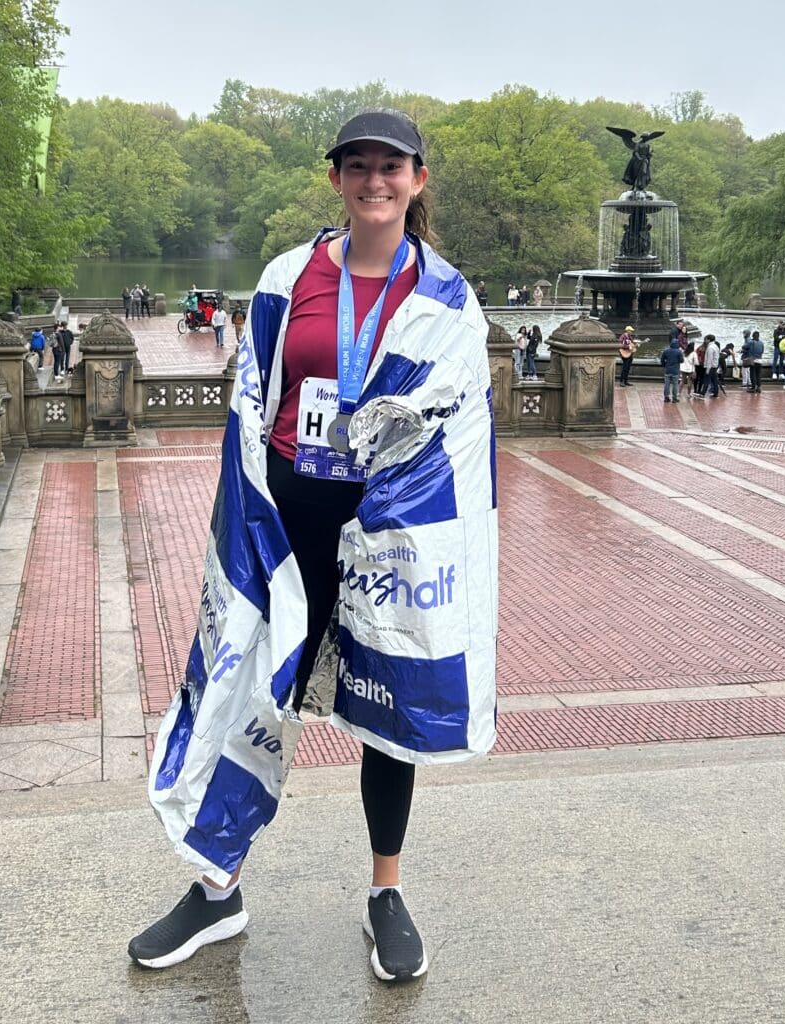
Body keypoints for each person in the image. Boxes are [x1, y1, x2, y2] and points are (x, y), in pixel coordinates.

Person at [131, 109, 497, 983]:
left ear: (417, 181)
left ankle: (385, 894)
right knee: (255, 685)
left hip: (390, 527)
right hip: (288, 513)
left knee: (391, 709)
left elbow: (464, 416)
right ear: (336, 179)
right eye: (358, 166)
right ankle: (218, 885)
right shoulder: (288, 277)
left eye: (392, 167)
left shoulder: (447, 297)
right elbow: (252, 393)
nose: (375, 181)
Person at [660, 337, 682, 402]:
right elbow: (682, 360)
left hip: (667, 370)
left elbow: (662, 360)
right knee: (675, 384)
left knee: (667, 384)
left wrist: (664, 365)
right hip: (675, 370)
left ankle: (666, 397)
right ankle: (674, 398)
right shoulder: (679, 352)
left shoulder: (666, 351)